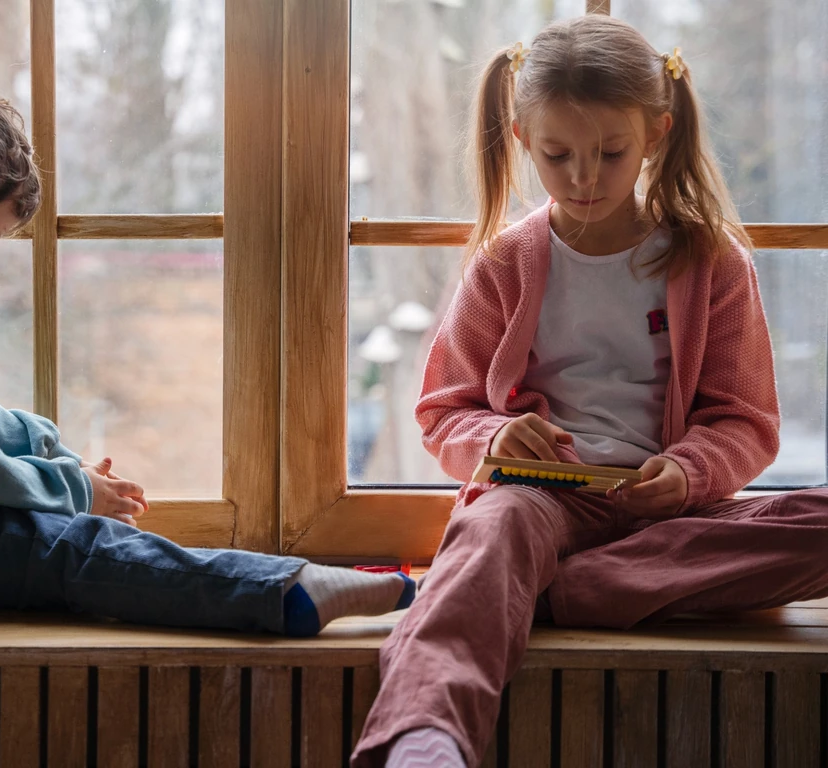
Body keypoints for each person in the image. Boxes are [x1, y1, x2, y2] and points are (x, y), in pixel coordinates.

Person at [0, 69, 414, 638]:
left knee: (55, 532)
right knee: (64, 550)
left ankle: (272, 585)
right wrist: (74, 489)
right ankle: (285, 594)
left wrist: (45, 448)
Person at [354, 14, 828, 767]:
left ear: (657, 135)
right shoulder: (505, 264)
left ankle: (576, 589)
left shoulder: (711, 261)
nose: (582, 178)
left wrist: (688, 473)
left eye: (610, 154)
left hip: (668, 521)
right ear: (520, 139)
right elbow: (445, 410)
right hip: (539, 501)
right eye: (556, 155)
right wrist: (496, 438)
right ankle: (426, 738)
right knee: (491, 531)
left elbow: (746, 421)